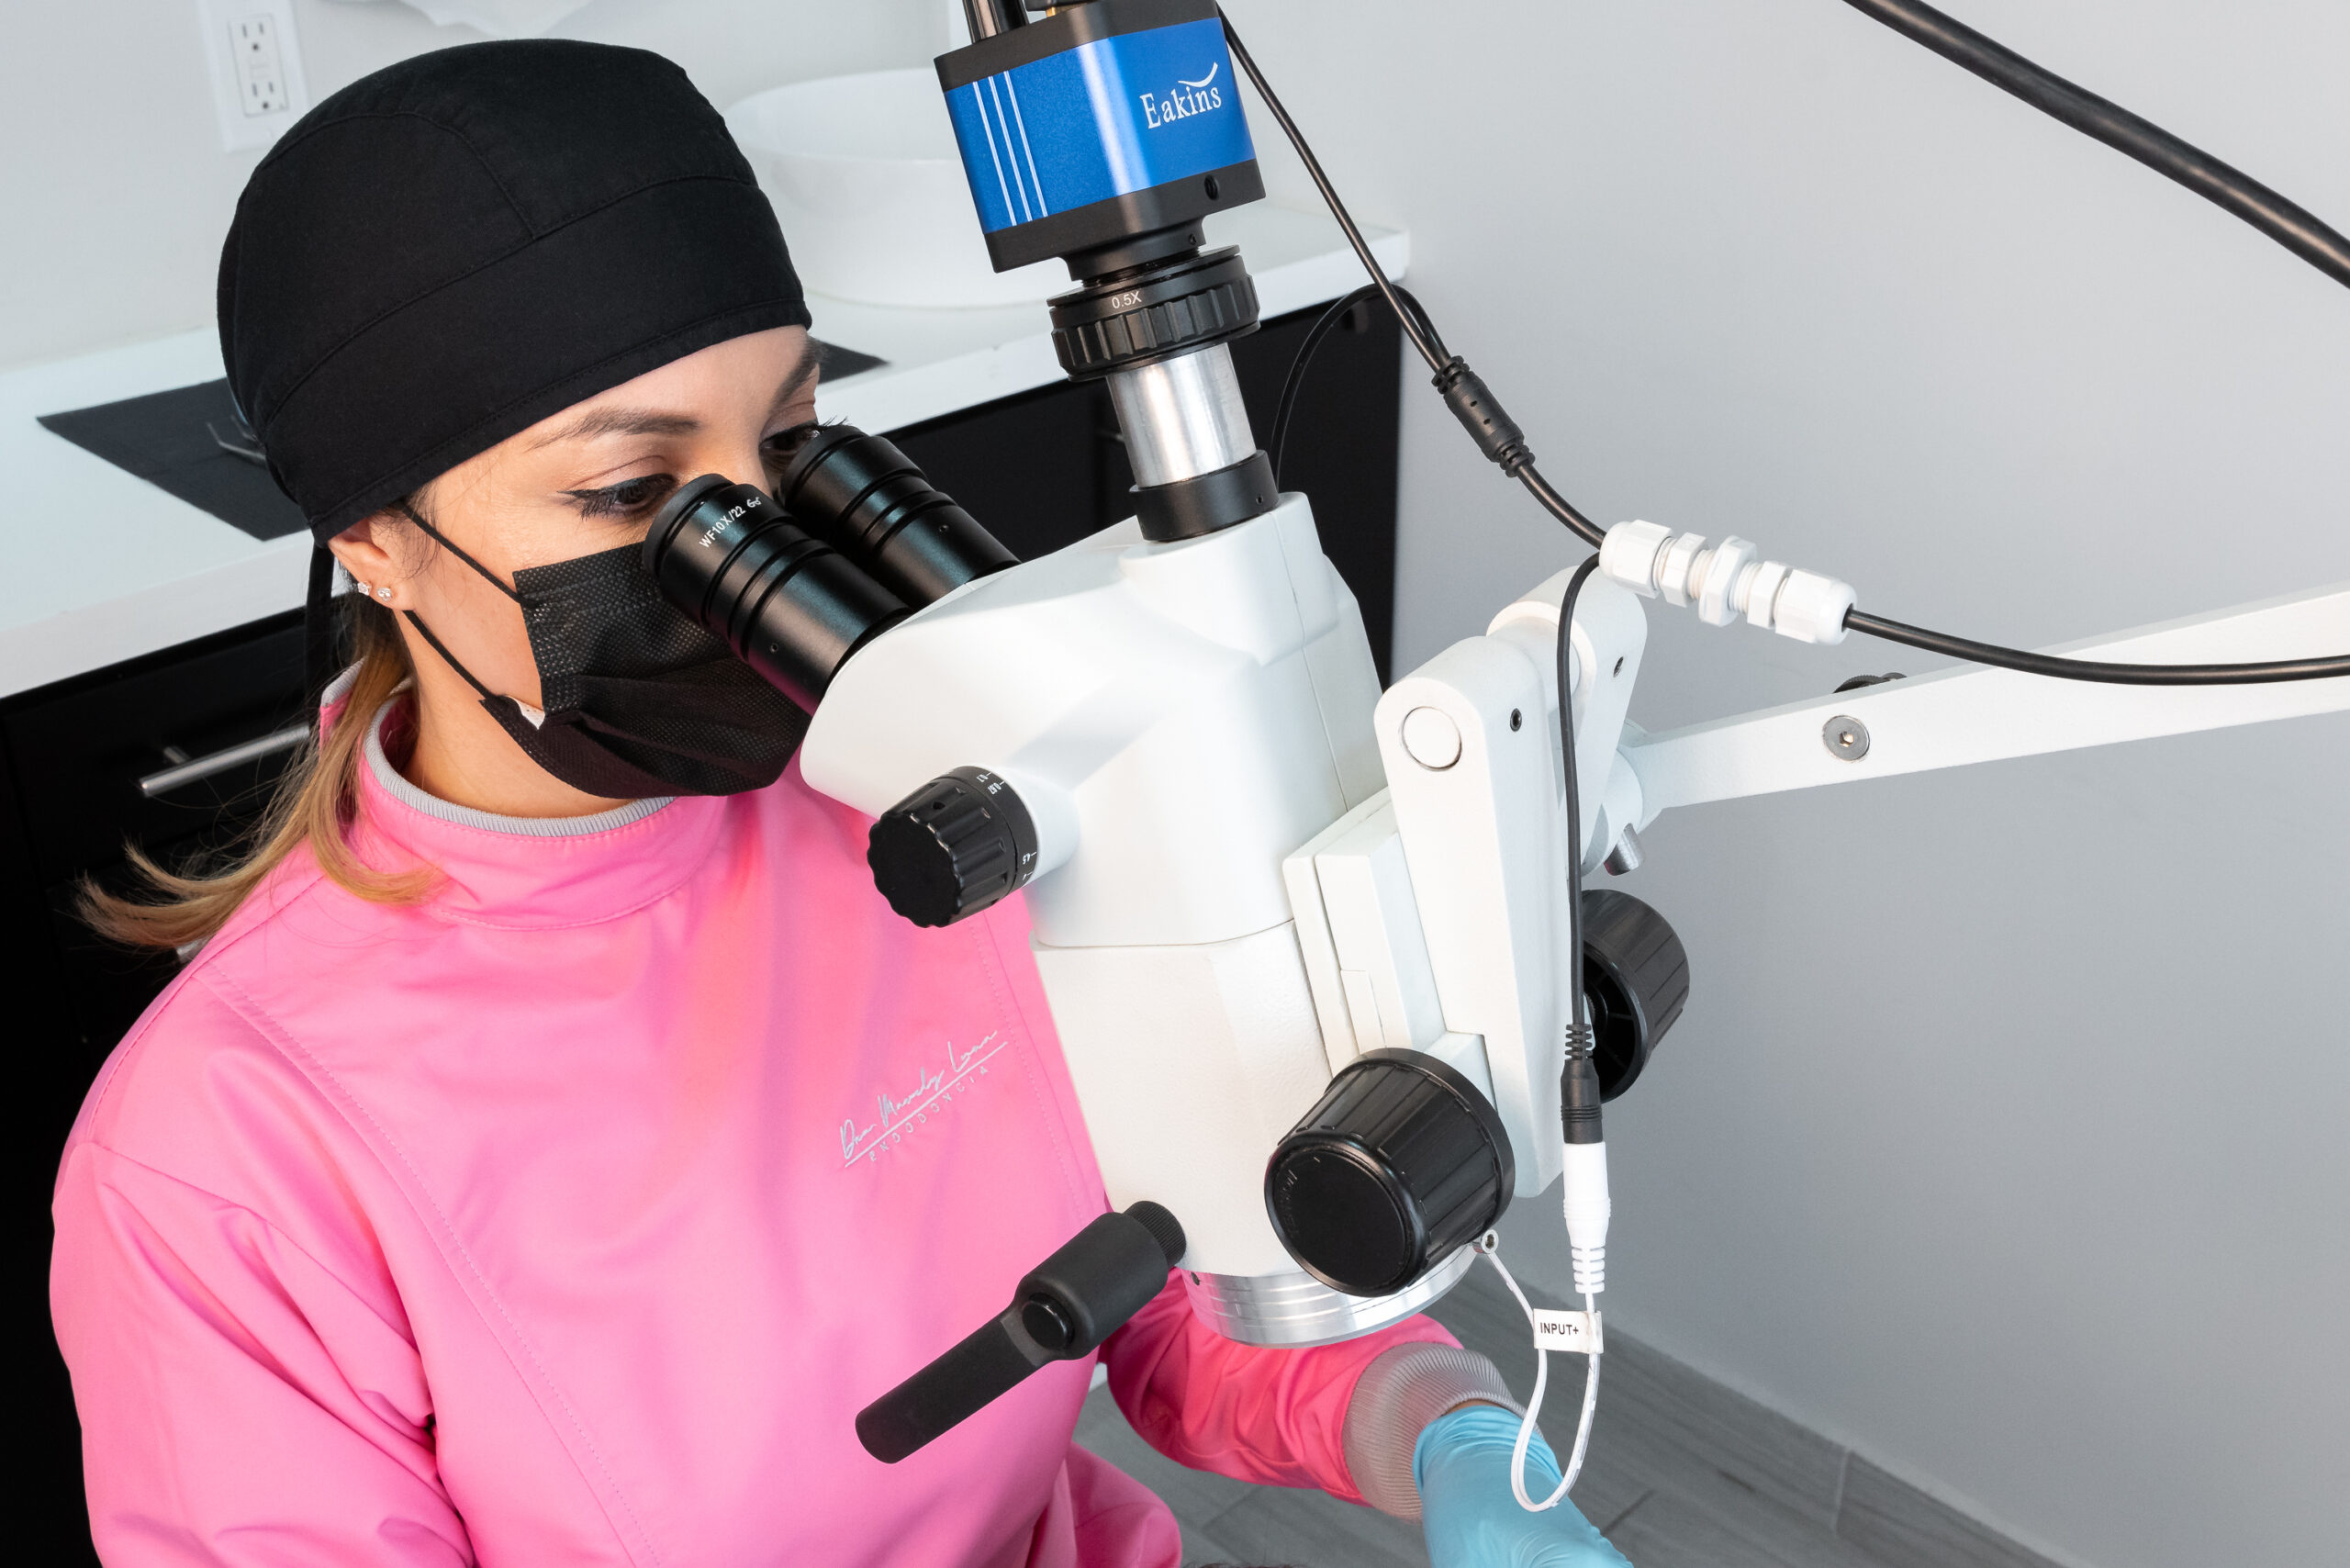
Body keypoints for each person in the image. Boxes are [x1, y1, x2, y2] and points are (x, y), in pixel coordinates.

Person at [50, 39, 1629, 1568]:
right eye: (628, 491)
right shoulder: (223, 1156)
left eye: (790, 442)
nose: (750, 540)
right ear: (373, 541)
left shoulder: (927, 814)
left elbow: (1172, 1264)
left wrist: (1435, 1422)